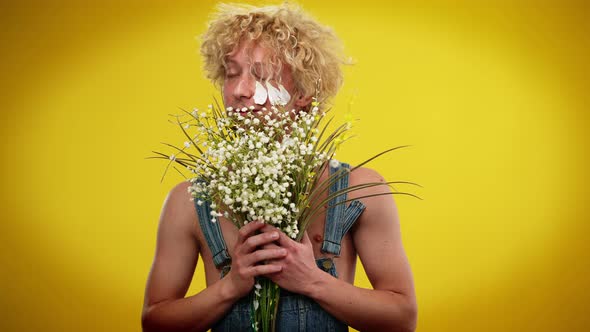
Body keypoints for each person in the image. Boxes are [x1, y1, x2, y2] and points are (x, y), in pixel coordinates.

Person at [142, 3, 417, 331]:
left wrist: (312, 280)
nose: (240, 91)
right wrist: (230, 286)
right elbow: (155, 321)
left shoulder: (361, 191)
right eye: (232, 73)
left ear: (301, 92)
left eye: (260, 75)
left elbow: (402, 318)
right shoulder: (188, 201)